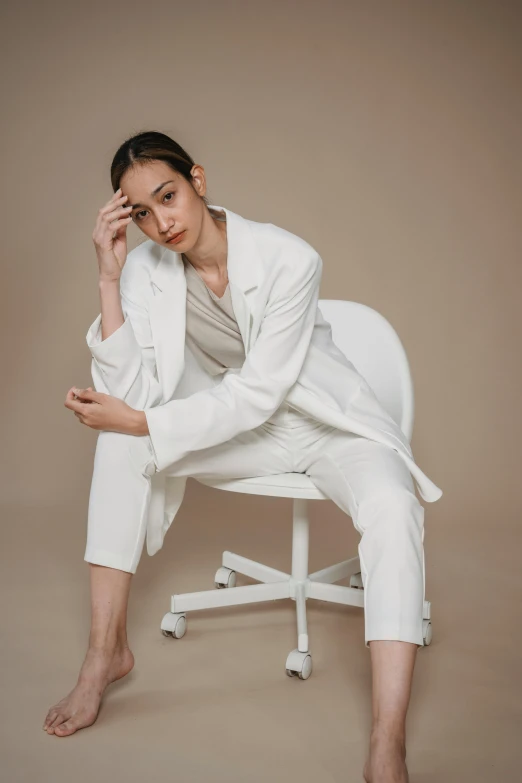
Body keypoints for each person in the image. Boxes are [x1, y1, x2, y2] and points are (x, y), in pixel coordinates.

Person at [42, 130, 442, 783]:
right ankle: (103, 655)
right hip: (242, 436)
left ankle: (387, 740)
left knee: (394, 507)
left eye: (168, 196)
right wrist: (109, 277)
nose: (160, 221)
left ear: (198, 179)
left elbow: (258, 393)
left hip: (325, 425)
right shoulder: (146, 267)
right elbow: (130, 394)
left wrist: (143, 418)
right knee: (121, 440)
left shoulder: (291, 258)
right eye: (141, 211)